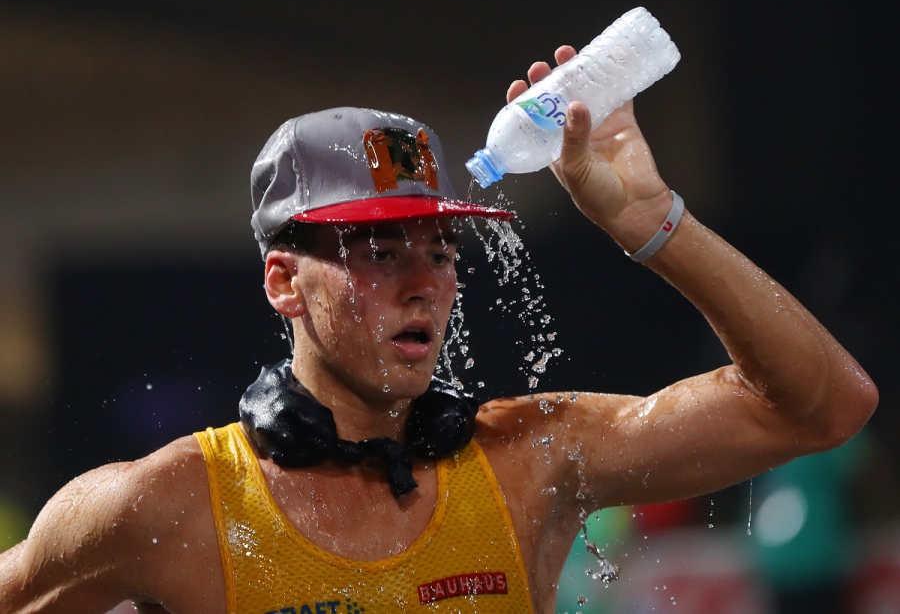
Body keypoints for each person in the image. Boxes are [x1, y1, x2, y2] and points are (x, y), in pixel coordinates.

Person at [0, 46, 877, 614]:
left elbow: (824, 406)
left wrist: (655, 223)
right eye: (380, 252)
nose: (424, 281)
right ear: (285, 283)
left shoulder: (528, 460)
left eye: (441, 249)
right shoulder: (164, 506)